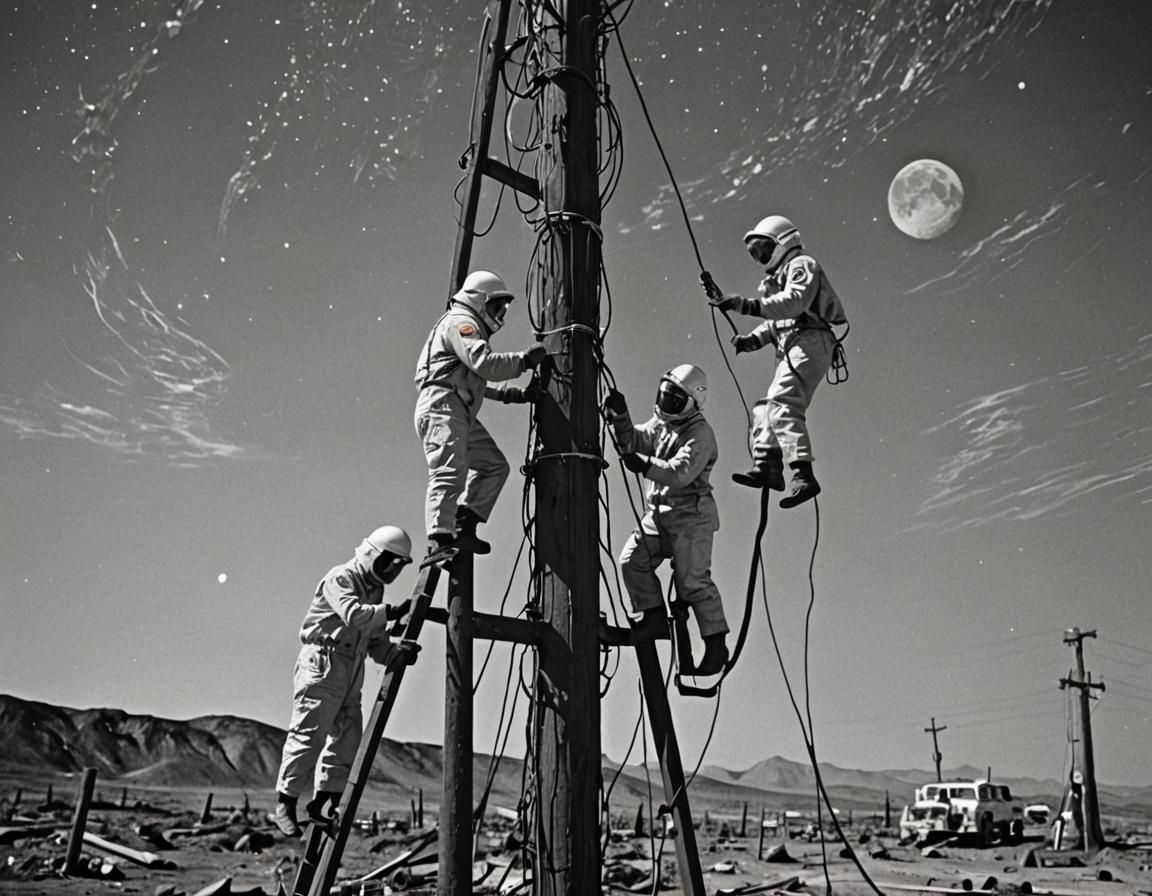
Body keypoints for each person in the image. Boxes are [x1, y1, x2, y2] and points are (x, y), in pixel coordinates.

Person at [270, 525, 419, 837]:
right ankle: (285, 802)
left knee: (348, 736)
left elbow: (375, 638)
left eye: (397, 566)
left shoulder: (375, 592)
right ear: (373, 554)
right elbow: (354, 614)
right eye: (389, 562)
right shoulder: (342, 577)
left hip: (351, 669)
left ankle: (323, 803)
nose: (392, 570)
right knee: (309, 734)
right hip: (323, 663)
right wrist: (393, 612)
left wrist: (396, 653)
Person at [704, 214, 847, 508]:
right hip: (793, 343)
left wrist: (744, 305)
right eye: (755, 253)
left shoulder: (801, 266)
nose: (760, 257)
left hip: (810, 340)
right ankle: (768, 466)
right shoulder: (773, 281)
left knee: (782, 402)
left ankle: (803, 475)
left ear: (782, 243)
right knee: (765, 408)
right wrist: (751, 340)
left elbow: (794, 303)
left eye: (763, 249)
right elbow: (776, 321)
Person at [414, 270, 548, 565]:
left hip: (456, 409)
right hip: (443, 407)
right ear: (479, 301)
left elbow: (478, 380)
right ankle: (439, 538)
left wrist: (518, 395)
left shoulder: (465, 327)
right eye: (495, 306)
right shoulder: (461, 323)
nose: (498, 314)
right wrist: (524, 362)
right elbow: (485, 364)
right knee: (449, 472)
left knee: (494, 466)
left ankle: (464, 523)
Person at [603, 364, 729, 676]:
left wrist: (642, 463)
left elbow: (680, 473)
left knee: (693, 582)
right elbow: (635, 440)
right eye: (665, 395)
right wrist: (621, 418)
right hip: (659, 513)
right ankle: (653, 616)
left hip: (691, 517)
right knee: (632, 559)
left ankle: (716, 645)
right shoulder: (663, 423)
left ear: (693, 402)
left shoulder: (700, 434)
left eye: (675, 398)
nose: (667, 403)